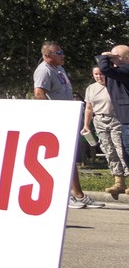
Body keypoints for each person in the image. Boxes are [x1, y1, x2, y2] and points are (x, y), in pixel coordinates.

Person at [33, 40, 100, 208]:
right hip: (56, 120)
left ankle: (78, 195)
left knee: (68, 157)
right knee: (60, 158)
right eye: (59, 53)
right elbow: (39, 95)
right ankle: (64, 195)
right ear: (48, 56)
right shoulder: (44, 71)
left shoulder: (59, 69)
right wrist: (54, 116)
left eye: (62, 52)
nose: (63, 55)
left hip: (67, 118)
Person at [83, 65, 126, 198]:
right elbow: (89, 108)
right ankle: (119, 181)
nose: (99, 76)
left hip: (116, 119)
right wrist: (86, 125)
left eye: (101, 74)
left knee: (121, 150)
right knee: (109, 150)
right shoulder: (91, 88)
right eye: (96, 74)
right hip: (100, 120)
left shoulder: (115, 85)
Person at [94, 45, 129, 199]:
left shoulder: (126, 70)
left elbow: (105, 69)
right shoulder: (116, 73)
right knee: (124, 153)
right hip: (122, 119)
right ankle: (119, 181)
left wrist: (104, 57)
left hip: (127, 119)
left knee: (127, 152)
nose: (112, 58)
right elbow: (102, 72)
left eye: (116, 56)